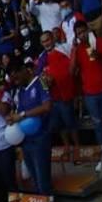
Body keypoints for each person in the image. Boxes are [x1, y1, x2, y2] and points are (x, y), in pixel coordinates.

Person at [70, 20, 102, 171]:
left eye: (83, 31)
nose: (82, 35)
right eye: (79, 33)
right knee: (98, 125)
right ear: (76, 36)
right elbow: (72, 71)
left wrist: (98, 54)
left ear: (87, 30)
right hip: (89, 93)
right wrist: (73, 49)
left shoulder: (97, 41)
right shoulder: (78, 49)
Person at [7, 59, 53, 194]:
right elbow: (19, 113)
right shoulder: (20, 91)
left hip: (40, 138)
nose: (16, 82)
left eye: (16, 78)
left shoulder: (41, 82)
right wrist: (13, 119)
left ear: (23, 70)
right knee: (35, 181)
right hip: (26, 140)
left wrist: (22, 115)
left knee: (43, 182)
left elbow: (47, 106)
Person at [37, 30, 79, 162]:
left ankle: (78, 149)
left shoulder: (64, 48)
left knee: (71, 123)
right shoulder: (41, 57)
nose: (46, 43)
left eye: (48, 40)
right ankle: (67, 147)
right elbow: (40, 78)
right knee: (60, 125)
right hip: (53, 96)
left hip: (67, 93)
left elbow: (75, 59)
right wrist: (46, 83)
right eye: (43, 41)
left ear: (53, 39)